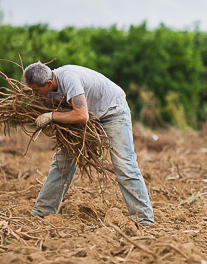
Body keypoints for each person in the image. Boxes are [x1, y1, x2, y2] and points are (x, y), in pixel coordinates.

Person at [23, 61, 154, 226]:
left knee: (124, 164)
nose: (34, 93)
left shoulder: (69, 79)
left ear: (49, 83)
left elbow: (81, 115)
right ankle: (41, 215)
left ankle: (144, 220)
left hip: (112, 111)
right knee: (62, 164)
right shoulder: (45, 90)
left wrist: (52, 117)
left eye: (36, 90)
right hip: (89, 115)